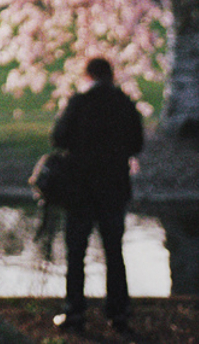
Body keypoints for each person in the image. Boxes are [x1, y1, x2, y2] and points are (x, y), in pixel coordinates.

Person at [50, 57, 144, 333]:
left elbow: (58, 138)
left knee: (76, 252)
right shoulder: (124, 104)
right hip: (114, 187)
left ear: (88, 75)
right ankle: (118, 312)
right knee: (114, 251)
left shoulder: (79, 103)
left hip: (80, 188)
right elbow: (137, 144)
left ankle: (75, 312)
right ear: (111, 76)